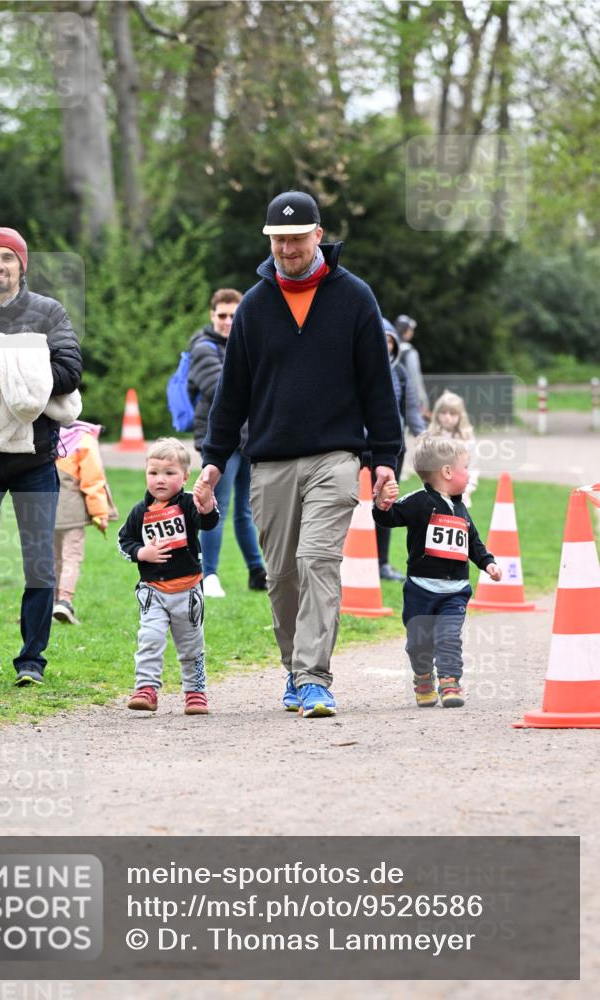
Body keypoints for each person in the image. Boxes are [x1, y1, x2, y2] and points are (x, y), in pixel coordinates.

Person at [194, 190, 402, 718]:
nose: (287, 248)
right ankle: (294, 667)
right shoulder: (256, 306)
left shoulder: (354, 297)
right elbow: (231, 392)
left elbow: (378, 386)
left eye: (296, 237)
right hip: (270, 462)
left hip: (335, 458)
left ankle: (314, 679)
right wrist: (215, 459)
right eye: (278, 240)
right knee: (282, 574)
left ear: (318, 234)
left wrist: (385, 459)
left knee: (317, 562)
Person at [0, 227, 82, 686]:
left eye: (7, 257)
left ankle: (31, 660)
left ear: (22, 265)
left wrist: (9, 371)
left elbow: (69, 371)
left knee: (39, 561)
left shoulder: (48, 312)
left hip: (34, 460)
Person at [374, 434, 501, 708]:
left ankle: (450, 681)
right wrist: (382, 506)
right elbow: (391, 517)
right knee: (418, 644)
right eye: (465, 467)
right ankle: (423, 678)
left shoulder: (460, 507)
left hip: (454, 591)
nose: (469, 473)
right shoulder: (418, 501)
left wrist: (487, 562)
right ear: (446, 472)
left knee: (449, 637)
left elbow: (473, 542)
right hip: (420, 590)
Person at [117, 437, 219, 715]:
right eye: (153, 473)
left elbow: (208, 523)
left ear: (185, 477)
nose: (160, 480)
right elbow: (124, 540)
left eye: (169, 473)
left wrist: (207, 504)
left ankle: (195, 692)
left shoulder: (188, 505)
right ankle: (146, 689)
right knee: (150, 638)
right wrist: (141, 553)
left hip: (187, 592)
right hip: (153, 592)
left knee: (191, 646)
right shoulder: (140, 512)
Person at [187, 288, 266, 598]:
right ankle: (209, 575)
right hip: (219, 439)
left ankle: (256, 571)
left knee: (246, 510)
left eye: (234, 315)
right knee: (213, 506)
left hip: (250, 438)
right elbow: (220, 389)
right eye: (222, 315)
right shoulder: (203, 347)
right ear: (212, 315)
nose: (228, 321)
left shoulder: (248, 344)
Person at [374, 319, 427, 582]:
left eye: (389, 341)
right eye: (380, 339)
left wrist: (423, 437)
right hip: (361, 453)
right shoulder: (358, 371)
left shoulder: (400, 373)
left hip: (394, 451)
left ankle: (381, 563)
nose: (385, 345)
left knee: (384, 507)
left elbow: (411, 409)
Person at [53, 420, 117, 625]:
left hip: (43, 509)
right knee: (71, 557)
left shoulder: (45, 434)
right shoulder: (85, 440)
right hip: (72, 511)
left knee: (51, 558)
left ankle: (49, 602)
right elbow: (93, 480)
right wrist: (100, 513)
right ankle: (65, 600)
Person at [428, 389, 478, 507]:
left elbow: (473, 466)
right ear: (437, 414)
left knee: (458, 524)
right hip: (434, 494)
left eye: (452, 413)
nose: (447, 417)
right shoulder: (431, 437)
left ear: (460, 416)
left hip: (460, 493)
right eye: (443, 413)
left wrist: (469, 488)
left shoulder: (467, 439)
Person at [395, 314, 430, 418]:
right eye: (410, 329)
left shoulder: (390, 348)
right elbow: (414, 379)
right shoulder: (409, 351)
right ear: (406, 330)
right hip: (407, 397)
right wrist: (420, 400)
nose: (412, 332)